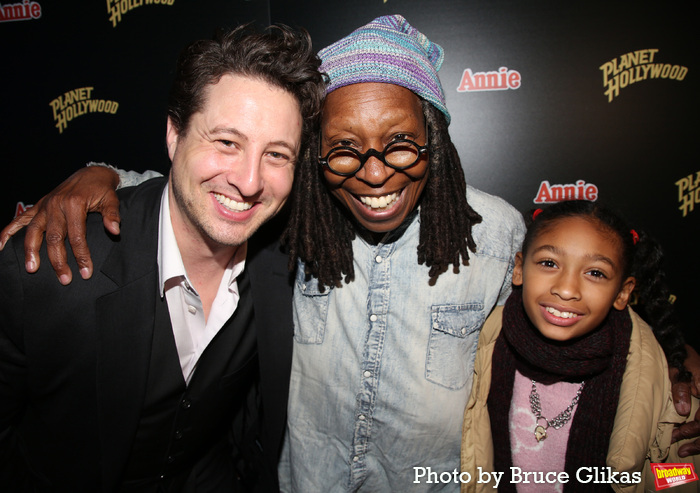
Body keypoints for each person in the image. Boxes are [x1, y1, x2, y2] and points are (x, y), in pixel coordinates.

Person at [2, 14, 699, 492]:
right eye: (342, 148)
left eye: (400, 142)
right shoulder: (289, 223)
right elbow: (202, 191)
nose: (373, 172)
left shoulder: (499, 235)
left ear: (435, 136)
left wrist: (670, 355)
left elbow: (576, 296)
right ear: (314, 155)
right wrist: (97, 178)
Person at [0, 24, 324, 492]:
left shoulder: (285, 264)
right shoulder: (48, 272)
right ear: (174, 135)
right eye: (227, 143)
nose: (250, 181)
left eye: (277, 155)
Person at [461, 201, 699, 492]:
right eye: (549, 263)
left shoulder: (661, 383)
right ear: (520, 269)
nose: (566, 289)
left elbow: (680, 478)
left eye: (595, 273)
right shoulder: (478, 343)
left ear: (623, 293)